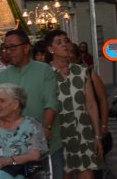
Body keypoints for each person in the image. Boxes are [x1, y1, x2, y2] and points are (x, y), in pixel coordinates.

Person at [0, 29, 63, 179]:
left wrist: (46, 128)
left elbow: (51, 103)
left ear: (27, 48)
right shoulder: (3, 76)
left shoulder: (44, 71)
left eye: (12, 47)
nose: (8, 52)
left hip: (46, 147)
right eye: (5, 48)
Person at [45, 30, 102, 179]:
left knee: (87, 173)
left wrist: (97, 135)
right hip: (59, 134)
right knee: (64, 174)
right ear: (51, 49)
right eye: (59, 42)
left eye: (66, 41)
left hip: (83, 132)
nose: (65, 44)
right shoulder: (45, 74)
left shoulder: (81, 71)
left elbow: (91, 104)